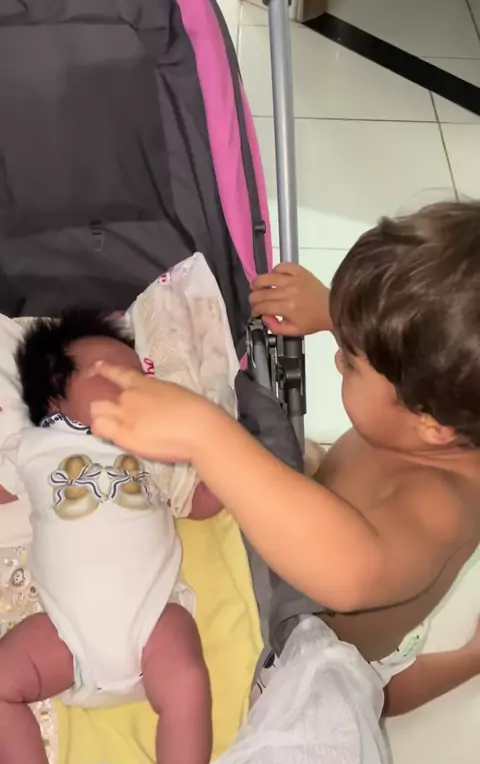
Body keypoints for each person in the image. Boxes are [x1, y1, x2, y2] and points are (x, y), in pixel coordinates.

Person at [87, 202, 480, 717]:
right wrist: (337, 314)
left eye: (352, 362)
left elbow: (348, 574)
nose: (337, 358)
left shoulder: (443, 503)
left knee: (378, 696)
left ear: (430, 423)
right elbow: (405, 350)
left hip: (350, 646)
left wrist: (207, 434)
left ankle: (469, 659)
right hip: (332, 515)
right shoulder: (436, 410)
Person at [0, 310, 216, 764]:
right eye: (112, 375)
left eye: (139, 377)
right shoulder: (31, 446)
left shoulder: (153, 445)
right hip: (67, 634)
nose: (133, 387)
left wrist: (225, 457)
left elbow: (198, 501)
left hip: (153, 619)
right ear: (54, 395)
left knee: (186, 681)